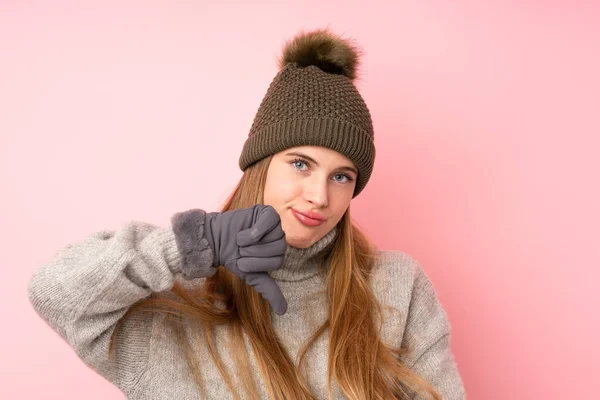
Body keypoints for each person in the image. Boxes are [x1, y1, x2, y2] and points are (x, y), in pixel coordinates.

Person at [28, 28, 466, 399]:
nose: (319, 196)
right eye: (300, 164)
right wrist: (191, 244)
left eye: (342, 177)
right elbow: (54, 295)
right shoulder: (179, 294)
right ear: (261, 164)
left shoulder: (394, 286)